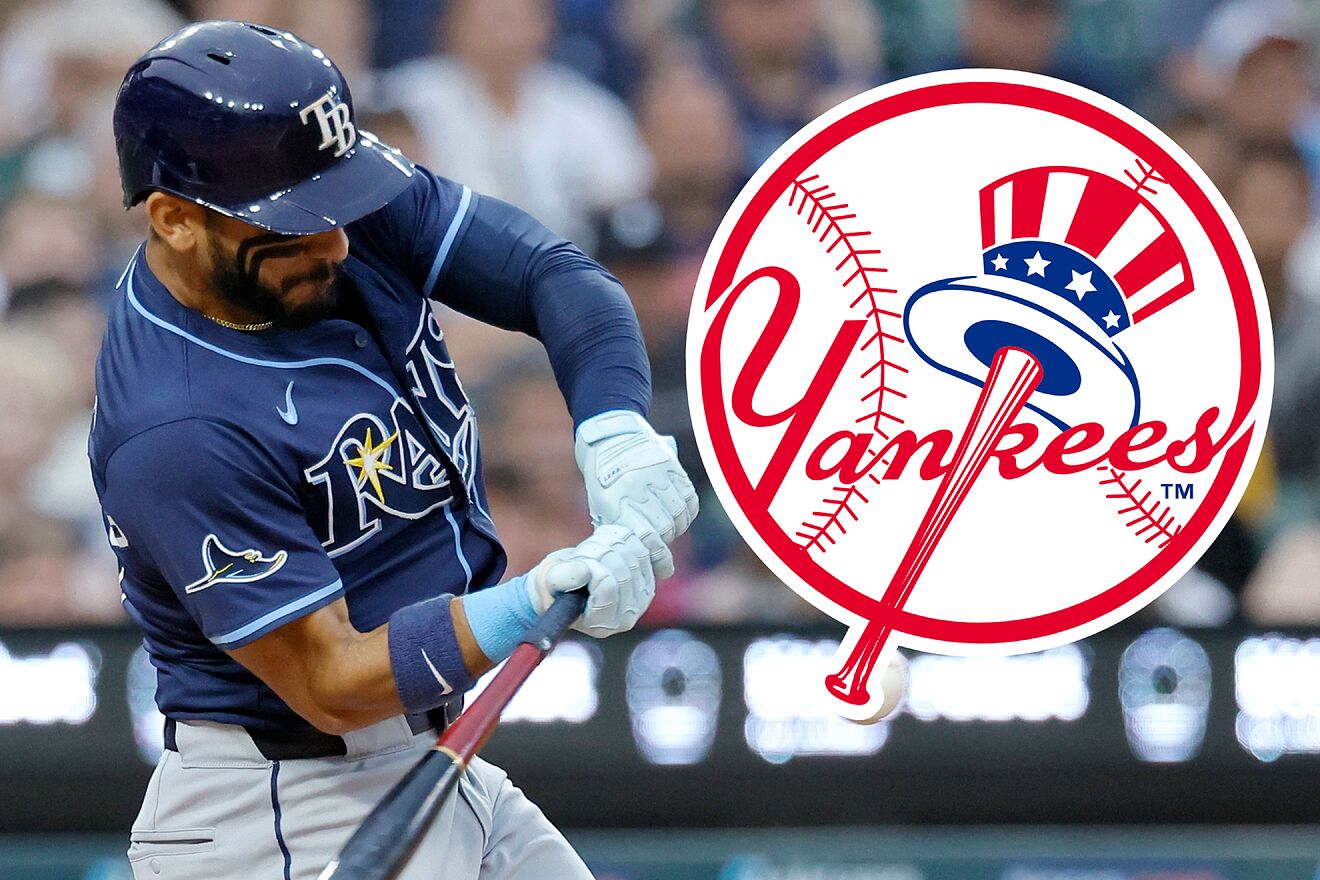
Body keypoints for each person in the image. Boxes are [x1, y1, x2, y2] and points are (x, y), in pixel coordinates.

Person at [90, 20, 697, 880]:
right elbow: (330, 681)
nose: (337, 241)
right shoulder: (176, 427)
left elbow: (554, 275)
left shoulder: (320, 194)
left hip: (426, 751)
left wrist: (614, 429)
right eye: (294, 226)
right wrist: (524, 605)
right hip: (283, 812)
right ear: (176, 220)